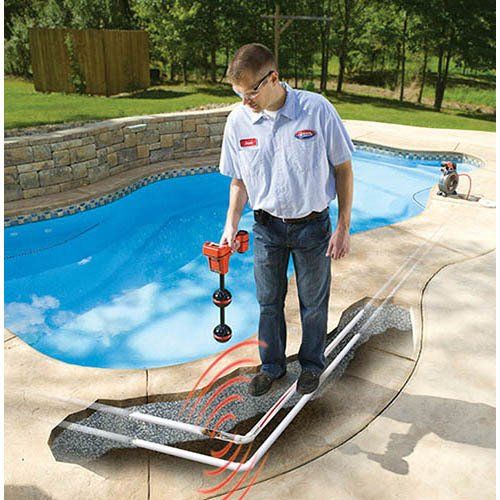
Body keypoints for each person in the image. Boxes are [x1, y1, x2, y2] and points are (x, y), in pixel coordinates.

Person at [218, 43, 354, 397]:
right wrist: (230, 225)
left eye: (250, 93)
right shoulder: (238, 121)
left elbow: (343, 168)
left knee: (312, 304)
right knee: (268, 303)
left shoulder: (316, 110)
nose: (245, 102)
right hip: (265, 228)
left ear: (273, 78)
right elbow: (239, 180)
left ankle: (311, 366)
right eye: (239, 95)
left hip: (313, 227)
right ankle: (272, 366)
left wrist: (343, 227)